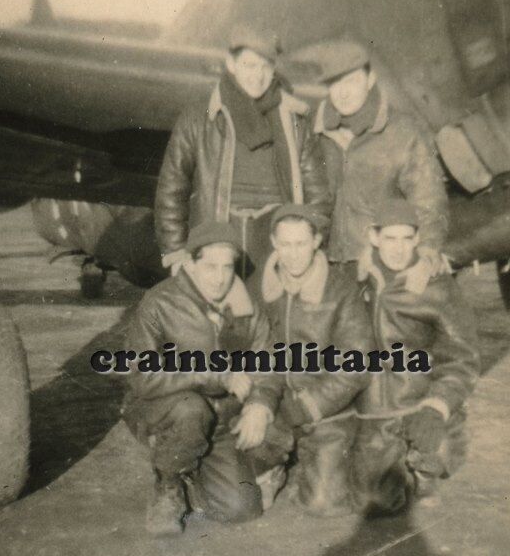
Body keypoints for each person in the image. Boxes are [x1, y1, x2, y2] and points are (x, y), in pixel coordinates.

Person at [120, 223, 281, 536]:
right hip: (165, 409)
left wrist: (260, 404)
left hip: (221, 419)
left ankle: (192, 473)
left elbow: (268, 364)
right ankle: (168, 484)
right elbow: (142, 376)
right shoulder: (160, 303)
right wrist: (213, 374)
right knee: (190, 409)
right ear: (190, 264)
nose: (220, 278)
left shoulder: (247, 306)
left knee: (241, 509)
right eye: (210, 266)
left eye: (227, 267)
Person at [154, 25, 331, 281]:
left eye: (265, 67)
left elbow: (317, 194)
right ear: (231, 63)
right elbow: (172, 187)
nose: (257, 76)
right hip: (218, 242)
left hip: (276, 244)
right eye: (249, 65)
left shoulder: (295, 121)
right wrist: (175, 251)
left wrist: (310, 249)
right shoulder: (199, 117)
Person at [351, 200, 480, 517]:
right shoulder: (357, 280)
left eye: (406, 238)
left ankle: (426, 463)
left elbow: (463, 359)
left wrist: (438, 406)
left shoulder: (438, 287)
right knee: (373, 502)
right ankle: (400, 460)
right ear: (374, 237)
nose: (398, 249)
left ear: (417, 239)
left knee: (439, 449)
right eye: (390, 238)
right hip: (377, 406)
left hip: (420, 399)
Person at [247, 202, 373, 516]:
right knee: (242, 480)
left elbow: (356, 365)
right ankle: (275, 464)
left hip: (327, 408)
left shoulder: (341, 289)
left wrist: (308, 406)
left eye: (301, 243)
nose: (293, 254)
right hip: (275, 399)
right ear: (273, 243)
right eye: (285, 244)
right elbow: (248, 351)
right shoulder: (258, 286)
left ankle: (326, 457)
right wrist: (259, 402)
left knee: (322, 504)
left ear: (316, 241)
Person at [311, 39, 449, 293]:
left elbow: (428, 198)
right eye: (335, 83)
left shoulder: (402, 131)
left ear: (370, 79)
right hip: (330, 267)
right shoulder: (315, 132)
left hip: (384, 265)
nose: (343, 92)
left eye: (351, 81)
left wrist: (427, 251)